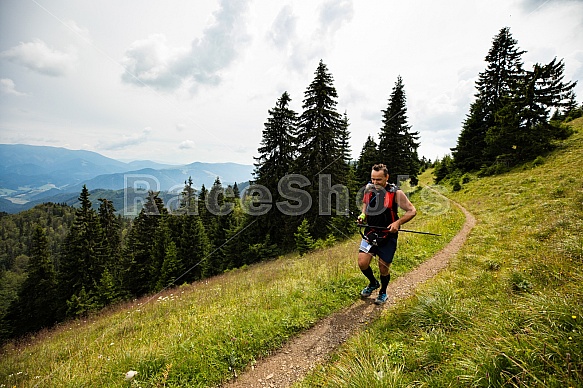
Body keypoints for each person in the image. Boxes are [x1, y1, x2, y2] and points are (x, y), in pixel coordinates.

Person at [357, 163, 417, 304]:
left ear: (387, 177)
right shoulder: (368, 189)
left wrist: (398, 223)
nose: (375, 183)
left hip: (388, 235)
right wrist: (363, 215)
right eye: (373, 179)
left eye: (379, 180)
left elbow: (412, 211)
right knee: (362, 263)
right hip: (370, 232)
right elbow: (365, 204)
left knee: (383, 267)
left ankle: (383, 292)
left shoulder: (396, 193)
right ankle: (373, 283)